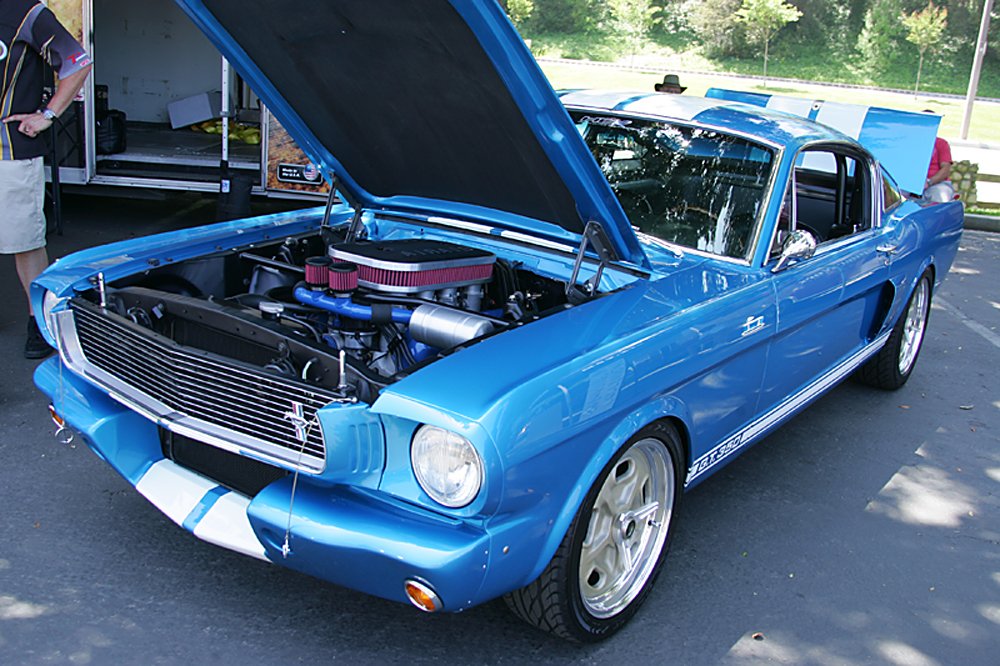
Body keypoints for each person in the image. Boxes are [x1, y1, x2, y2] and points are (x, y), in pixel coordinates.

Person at [1, 0, 92, 358]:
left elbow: (76, 61)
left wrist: (48, 114)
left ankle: (38, 320)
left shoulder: (23, 11)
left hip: (10, 150)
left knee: (24, 241)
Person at [923, 110, 954, 203]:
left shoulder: (941, 143)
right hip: (911, 186)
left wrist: (929, 182)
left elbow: (945, 169)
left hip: (937, 184)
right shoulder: (911, 142)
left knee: (942, 196)